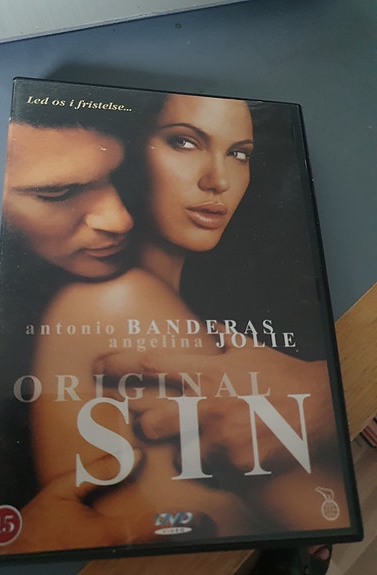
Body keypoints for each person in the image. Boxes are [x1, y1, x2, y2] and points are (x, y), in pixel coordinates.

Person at [25, 92, 349, 556]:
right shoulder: (116, 303)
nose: (219, 180)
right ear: (127, 149)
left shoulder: (182, 303)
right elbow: (324, 518)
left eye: (239, 154)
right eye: (183, 142)